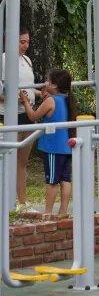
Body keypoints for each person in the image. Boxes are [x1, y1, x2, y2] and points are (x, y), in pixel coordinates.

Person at [21, 69, 76, 216]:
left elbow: (33, 116)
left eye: (48, 80)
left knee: (51, 181)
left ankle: (48, 213)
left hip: (53, 147)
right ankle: (63, 212)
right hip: (65, 147)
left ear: (55, 85)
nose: (45, 83)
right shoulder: (66, 99)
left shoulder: (51, 101)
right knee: (65, 179)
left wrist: (26, 102)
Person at [1, 27, 38, 208]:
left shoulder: (27, 60)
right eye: (21, 42)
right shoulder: (4, 60)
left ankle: (22, 202)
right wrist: (15, 99)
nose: (25, 46)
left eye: (27, 42)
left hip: (27, 114)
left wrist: (41, 92)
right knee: (8, 158)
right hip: (10, 115)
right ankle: (6, 202)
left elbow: (28, 87)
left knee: (22, 161)